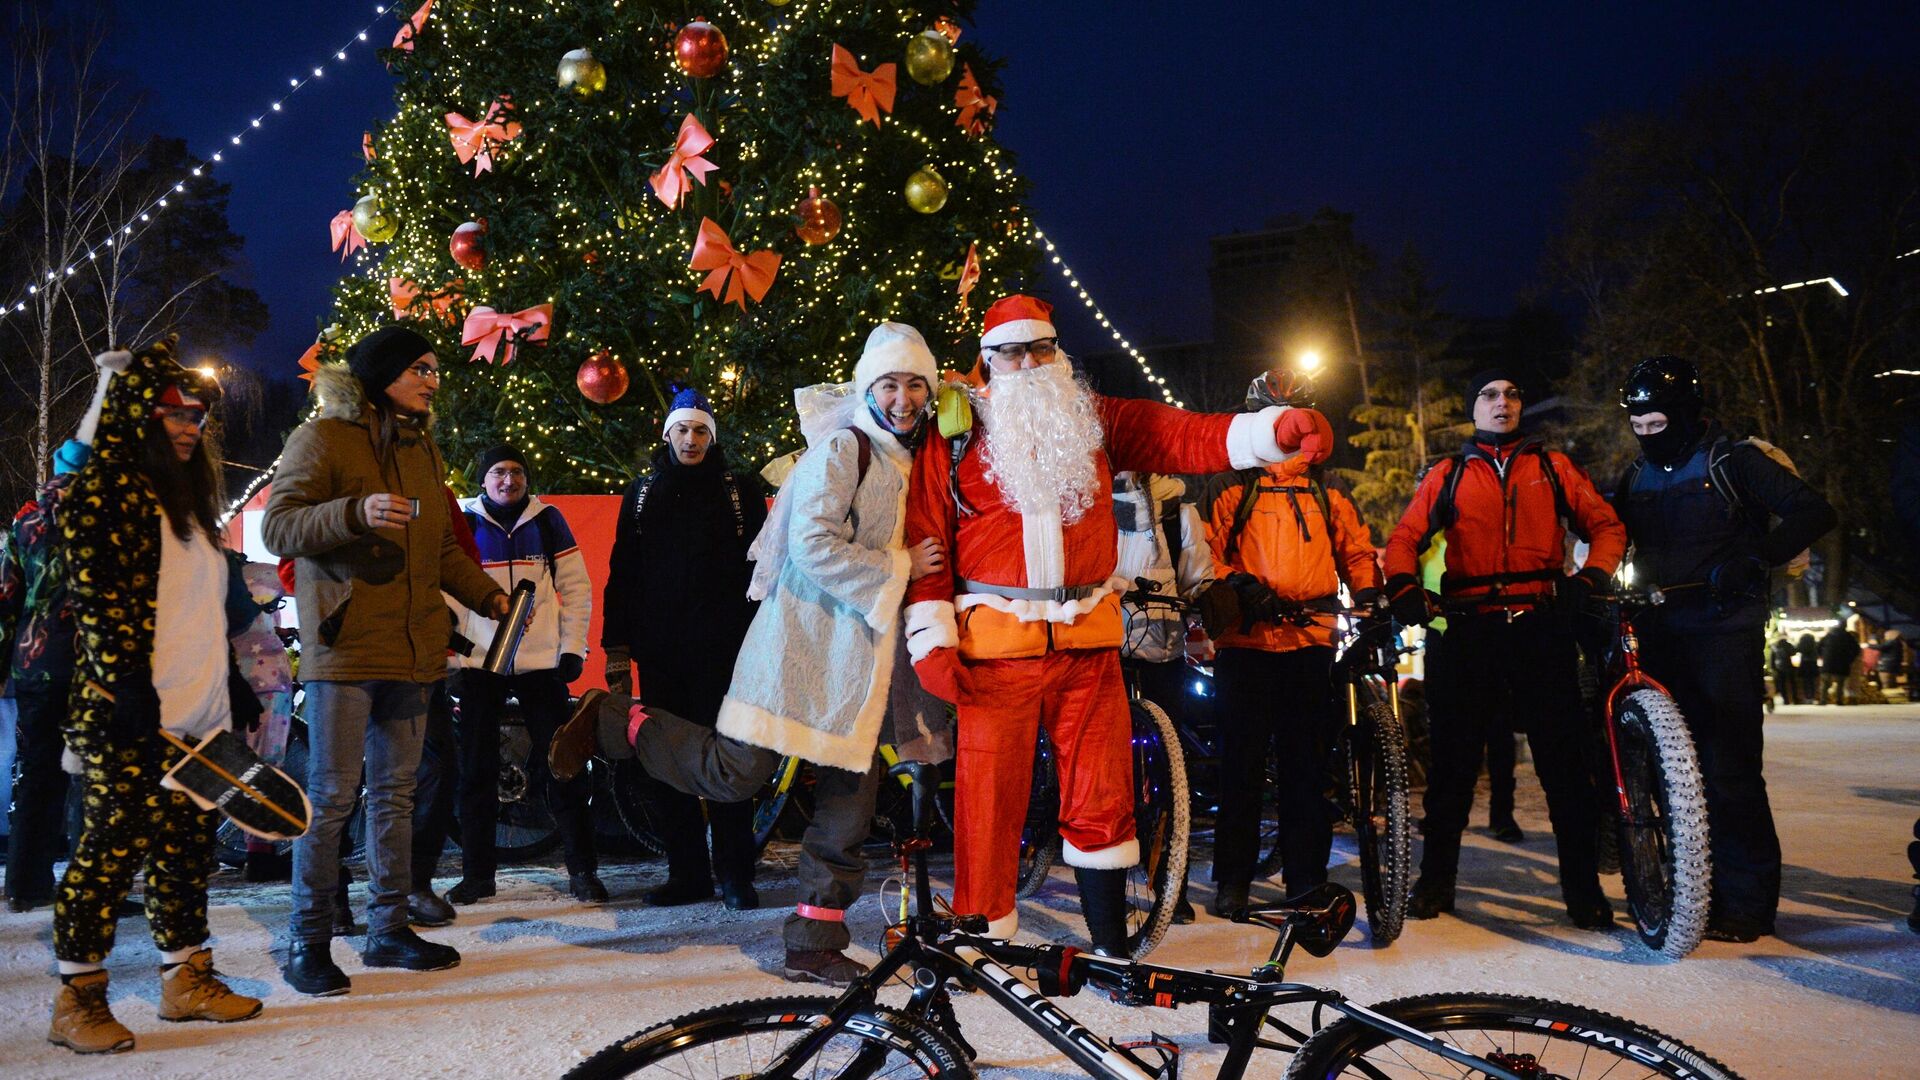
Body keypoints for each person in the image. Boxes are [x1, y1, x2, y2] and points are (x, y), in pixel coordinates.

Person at [902, 295, 1333, 951]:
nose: (1027, 364)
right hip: (994, 650)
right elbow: (926, 532)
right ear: (989, 361)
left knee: (1104, 793)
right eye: (1012, 353)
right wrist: (932, 636)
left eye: (1039, 350)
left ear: (1058, 355)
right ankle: (982, 941)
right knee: (987, 802)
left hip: (1089, 644)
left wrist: (1271, 432)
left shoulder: (1095, 421)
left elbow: (1179, 435)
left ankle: (1109, 941)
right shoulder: (954, 432)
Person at [553, 322, 951, 984]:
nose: (903, 398)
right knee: (733, 773)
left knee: (850, 804)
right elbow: (812, 544)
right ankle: (614, 720)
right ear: (867, 388)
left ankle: (812, 940)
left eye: (916, 384)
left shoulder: (911, 458)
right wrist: (902, 565)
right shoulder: (843, 451)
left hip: (863, 665)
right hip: (802, 647)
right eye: (889, 383)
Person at [262, 323, 509, 997]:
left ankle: (388, 931)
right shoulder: (322, 438)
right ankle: (309, 941)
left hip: (412, 649)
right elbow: (278, 526)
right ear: (384, 375)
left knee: (396, 796)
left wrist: (486, 594)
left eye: (434, 369)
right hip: (344, 648)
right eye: (420, 369)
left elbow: (440, 550)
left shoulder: (422, 447)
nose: (432, 379)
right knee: (333, 798)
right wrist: (352, 511)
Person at [49, 338, 262, 1053]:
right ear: (138, 413)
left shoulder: (193, 505)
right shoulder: (105, 489)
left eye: (196, 414)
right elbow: (98, 594)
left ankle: (186, 980)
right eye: (172, 411)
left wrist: (232, 680)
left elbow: (200, 607)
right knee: (109, 852)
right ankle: (77, 999)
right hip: (128, 710)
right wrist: (126, 685)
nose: (187, 425)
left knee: (185, 849)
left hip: (199, 712)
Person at [1383, 367, 1625, 929]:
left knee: (1565, 769)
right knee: (1452, 771)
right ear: (1474, 408)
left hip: (1541, 628)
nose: (1503, 403)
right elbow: (1404, 538)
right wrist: (1402, 586)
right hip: (1469, 630)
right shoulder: (1448, 472)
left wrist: (1591, 579)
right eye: (1490, 395)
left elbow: (1606, 525)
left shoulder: (1551, 465)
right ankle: (1435, 884)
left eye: (1514, 394)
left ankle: (1583, 891)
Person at [1614, 354, 1836, 942]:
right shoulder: (1633, 477)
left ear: (1686, 412)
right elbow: (1607, 535)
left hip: (1724, 629)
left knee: (1729, 769)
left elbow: (1815, 510)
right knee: (1673, 774)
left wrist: (1753, 559)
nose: (1645, 433)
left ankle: (1748, 904)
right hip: (1660, 629)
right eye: (1636, 424)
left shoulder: (1733, 460)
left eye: (1656, 423)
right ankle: (1694, 892)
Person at [1196, 369, 1381, 915]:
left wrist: (1369, 597)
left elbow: (1357, 550)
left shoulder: (1329, 486)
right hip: (1246, 645)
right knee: (1241, 770)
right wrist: (1236, 581)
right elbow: (1202, 551)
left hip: (1310, 642)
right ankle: (1233, 880)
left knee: (1306, 771)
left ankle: (1305, 880)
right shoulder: (1231, 484)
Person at [599, 388, 766, 909]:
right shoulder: (642, 493)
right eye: (682, 431)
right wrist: (617, 648)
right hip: (663, 653)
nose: (690, 440)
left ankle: (736, 874)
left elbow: (763, 572)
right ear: (667, 434)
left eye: (700, 431)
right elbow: (622, 573)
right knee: (668, 764)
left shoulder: (740, 490)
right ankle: (687, 873)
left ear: (710, 437)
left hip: (728, 654)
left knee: (729, 761)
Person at [446, 445, 598, 904]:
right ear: (483, 479)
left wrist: (572, 648)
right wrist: (455, 656)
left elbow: (576, 588)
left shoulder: (548, 520)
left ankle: (583, 871)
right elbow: (449, 590)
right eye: (498, 472)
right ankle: (478, 876)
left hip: (539, 665)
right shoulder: (465, 521)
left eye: (516, 472)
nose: (508, 481)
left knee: (564, 766)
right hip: (480, 665)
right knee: (475, 771)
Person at [1112, 467, 1213, 923]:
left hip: (1163, 652)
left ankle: (1171, 885)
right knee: (1107, 775)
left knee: (1170, 774)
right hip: (1102, 652)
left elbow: (1197, 577)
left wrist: (1212, 602)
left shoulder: (1177, 511)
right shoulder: (1090, 501)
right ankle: (1107, 881)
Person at [0, 436, 88, 912]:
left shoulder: (25, 522)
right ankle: (86, 886)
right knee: (89, 776)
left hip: (33, 666)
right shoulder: (102, 517)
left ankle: (24, 885)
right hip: (88, 666)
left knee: (36, 774)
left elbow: (6, 597)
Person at [1818, 622, 1859, 706]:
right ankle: (1839, 700)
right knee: (1840, 683)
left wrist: (1823, 656)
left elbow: (1818, 647)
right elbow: (1856, 649)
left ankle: (1823, 700)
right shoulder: (1848, 636)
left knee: (1825, 683)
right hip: (1842, 663)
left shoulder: (1828, 635)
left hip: (1828, 663)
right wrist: (1850, 659)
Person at [1768, 635, 1800, 706]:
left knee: (1782, 685)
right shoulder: (1789, 645)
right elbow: (1794, 654)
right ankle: (1795, 699)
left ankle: (1786, 700)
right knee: (1793, 684)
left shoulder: (1775, 646)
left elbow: (1772, 659)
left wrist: (1773, 668)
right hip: (1790, 668)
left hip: (1779, 669)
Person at [1795, 630, 1820, 704]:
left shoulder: (1801, 644)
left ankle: (1806, 697)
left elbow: (1796, 649)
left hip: (1804, 663)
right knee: (1812, 682)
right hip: (1813, 663)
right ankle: (1812, 697)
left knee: (1805, 682)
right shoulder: (1815, 644)